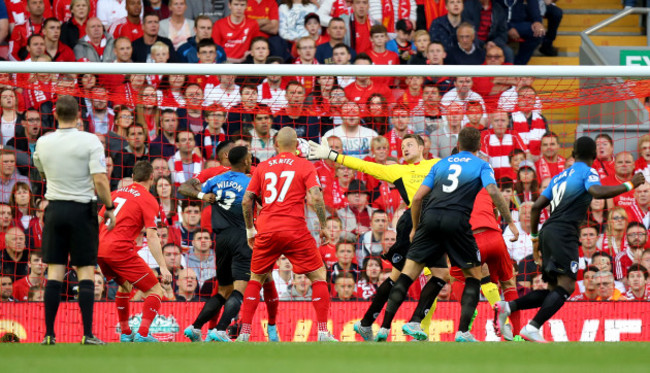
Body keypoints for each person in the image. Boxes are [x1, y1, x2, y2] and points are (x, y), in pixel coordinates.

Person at [495, 136, 646, 342]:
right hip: (564, 233)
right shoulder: (588, 171)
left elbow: (537, 206)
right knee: (567, 286)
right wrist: (630, 184)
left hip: (548, 231)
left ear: (573, 154)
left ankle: (508, 306)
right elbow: (597, 191)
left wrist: (536, 239)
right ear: (594, 156)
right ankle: (533, 327)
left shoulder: (559, 176)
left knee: (552, 289)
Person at [309, 133, 443, 341]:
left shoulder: (437, 165)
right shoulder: (397, 170)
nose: (405, 148)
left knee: (411, 276)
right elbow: (363, 166)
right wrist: (332, 155)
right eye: (402, 146)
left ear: (422, 146)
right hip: (413, 225)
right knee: (434, 274)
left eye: (409, 145)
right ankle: (410, 324)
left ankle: (369, 324)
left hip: (432, 225)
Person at [237, 127, 337, 342]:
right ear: (297, 146)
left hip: (267, 229)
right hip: (295, 230)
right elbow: (316, 198)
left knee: (255, 279)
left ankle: (244, 333)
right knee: (318, 275)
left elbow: (247, 200)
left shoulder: (262, 167)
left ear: (276, 145)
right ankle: (322, 332)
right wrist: (324, 225)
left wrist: (249, 229)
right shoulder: (305, 165)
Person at [33, 95, 115, 345]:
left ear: (55, 115)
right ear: (79, 116)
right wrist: (109, 207)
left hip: (55, 209)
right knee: (85, 271)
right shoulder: (90, 140)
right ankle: (87, 334)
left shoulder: (43, 142)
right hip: (81, 210)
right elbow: (100, 179)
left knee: (55, 270)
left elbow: (42, 170)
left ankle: (49, 334)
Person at [185, 146, 280, 342]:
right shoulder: (251, 181)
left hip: (221, 240)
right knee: (241, 290)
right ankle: (220, 329)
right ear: (246, 162)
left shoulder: (215, 180)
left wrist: (202, 196)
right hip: (242, 238)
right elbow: (265, 202)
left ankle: (195, 328)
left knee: (223, 291)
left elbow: (183, 188)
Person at [96, 161, 172, 342]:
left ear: (133, 176)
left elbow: (98, 219)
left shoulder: (115, 193)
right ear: (152, 177)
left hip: (100, 249)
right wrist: (163, 266)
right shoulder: (148, 199)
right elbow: (152, 236)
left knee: (125, 286)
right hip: (120, 249)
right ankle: (143, 334)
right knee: (156, 290)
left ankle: (125, 332)